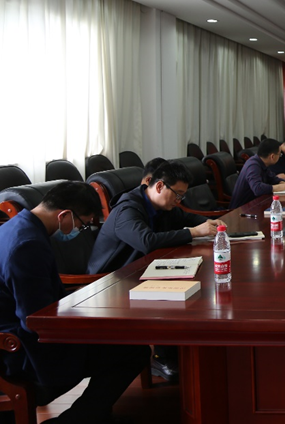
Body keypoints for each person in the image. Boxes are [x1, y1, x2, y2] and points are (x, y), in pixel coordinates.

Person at [0, 182, 150, 424]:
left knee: (117, 340)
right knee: (133, 351)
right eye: (83, 224)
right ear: (64, 215)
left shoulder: (18, 226)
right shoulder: (28, 245)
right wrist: (86, 323)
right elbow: (35, 320)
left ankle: (93, 414)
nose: (80, 230)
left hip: (20, 334)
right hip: (23, 350)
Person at [87, 161, 224, 274]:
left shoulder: (161, 206)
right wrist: (194, 232)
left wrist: (209, 223)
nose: (178, 201)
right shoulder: (126, 210)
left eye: (181, 196)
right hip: (108, 280)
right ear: (159, 186)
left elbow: (185, 217)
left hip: (141, 269)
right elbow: (147, 242)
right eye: (178, 194)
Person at [228, 138, 285, 209]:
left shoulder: (262, 162)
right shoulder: (253, 165)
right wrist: (284, 186)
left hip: (255, 204)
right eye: (279, 154)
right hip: (241, 210)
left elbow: (272, 178)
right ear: (272, 156)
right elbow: (257, 188)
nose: (280, 156)